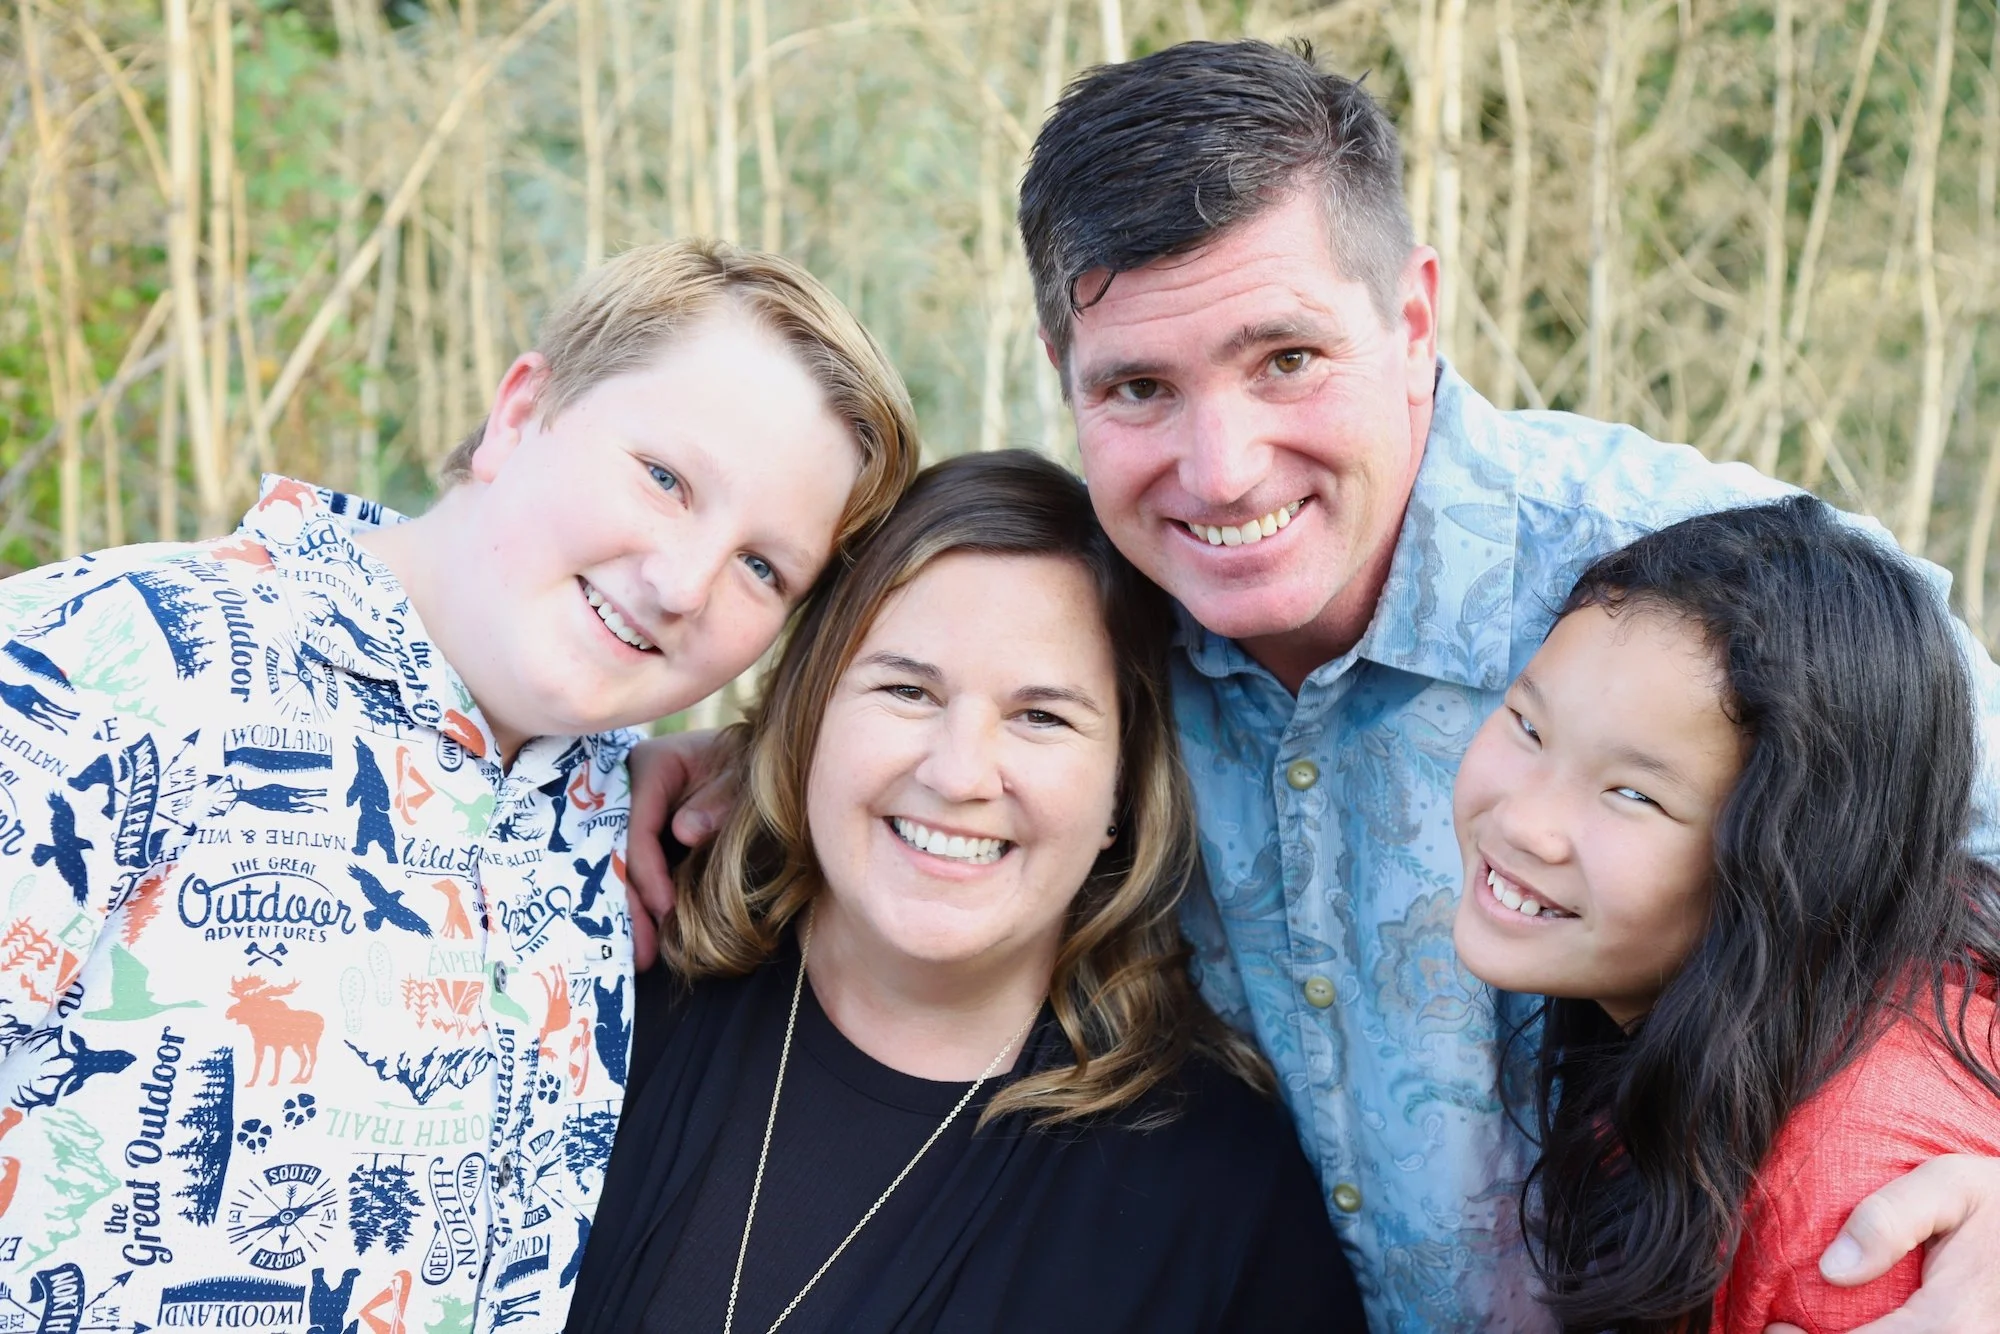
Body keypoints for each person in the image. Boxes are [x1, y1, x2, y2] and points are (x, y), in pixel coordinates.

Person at [624, 41, 2000, 1332]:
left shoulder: (1689, 593)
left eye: (1286, 359)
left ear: (1413, 318)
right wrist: (756, 749)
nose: (1221, 467)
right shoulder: (1106, 616)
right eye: (1141, 387)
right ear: (1068, 382)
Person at [0, 239, 918, 1334]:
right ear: (520, 412)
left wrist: (752, 757)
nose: (681, 584)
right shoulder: (101, 666)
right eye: (664, 478)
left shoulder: (621, 825)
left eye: (763, 567)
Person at [569, 450, 1363, 1334]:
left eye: (1041, 716)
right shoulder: (599, 964)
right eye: (907, 689)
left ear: (1122, 790)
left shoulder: (1224, 1202)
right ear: (811, 710)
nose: (959, 774)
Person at [1451, 497, 2000, 1332]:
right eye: (1528, 726)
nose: (1525, 821)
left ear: (1796, 862)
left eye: (1633, 793)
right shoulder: (1734, 1038)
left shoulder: (1855, 1215)